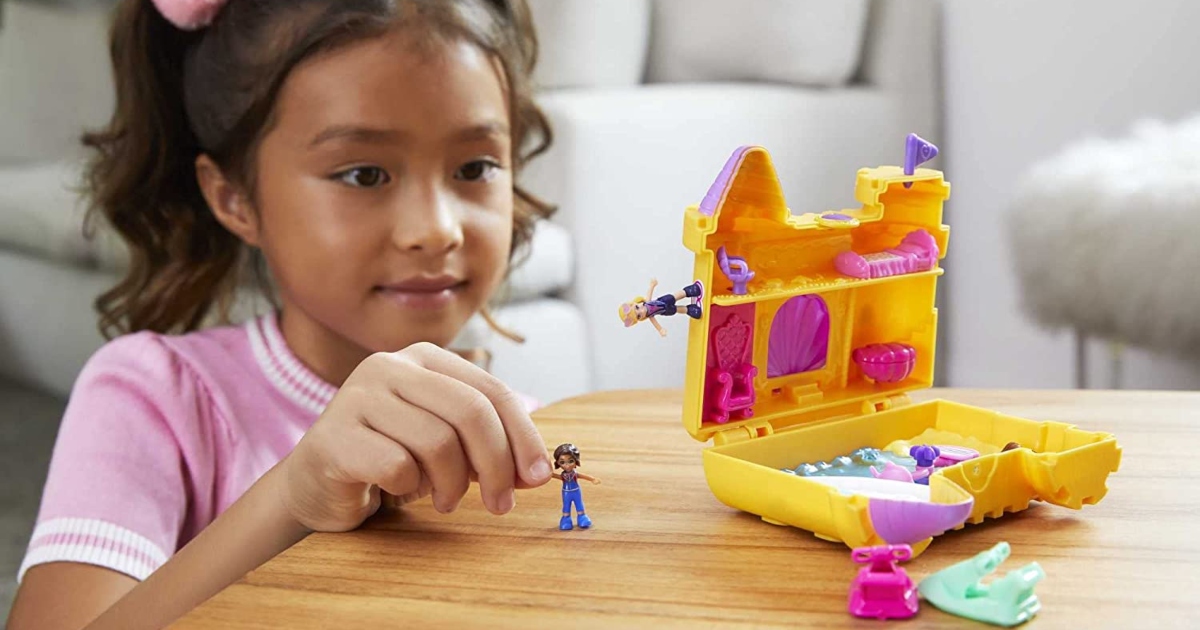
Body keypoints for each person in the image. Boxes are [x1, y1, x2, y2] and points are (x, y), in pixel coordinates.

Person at [6, 0, 557, 627]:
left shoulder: (519, 437)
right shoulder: (156, 396)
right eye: (364, 173)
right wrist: (294, 497)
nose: (436, 231)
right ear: (234, 198)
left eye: (474, 167)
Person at [617, 279, 703, 337]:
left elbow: (649, 293)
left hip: (664, 300)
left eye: (637, 307)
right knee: (676, 309)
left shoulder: (647, 302)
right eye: (639, 316)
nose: (641, 311)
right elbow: (655, 323)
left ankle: (688, 291)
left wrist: (652, 285)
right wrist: (660, 330)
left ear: (636, 303)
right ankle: (689, 309)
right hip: (665, 311)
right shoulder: (650, 315)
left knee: (676, 296)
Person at [551, 443, 600, 530]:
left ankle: (582, 517)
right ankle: (566, 519)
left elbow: (582, 476)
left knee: (579, 504)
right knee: (566, 505)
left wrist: (592, 479)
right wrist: (548, 474)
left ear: (576, 461)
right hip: (566, 492)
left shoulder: (575, 474)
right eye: (562, 462)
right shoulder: (563, 475)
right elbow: (556, 476)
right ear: (558, 463)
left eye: (570, 461)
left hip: (576, 491)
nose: (567, 465)